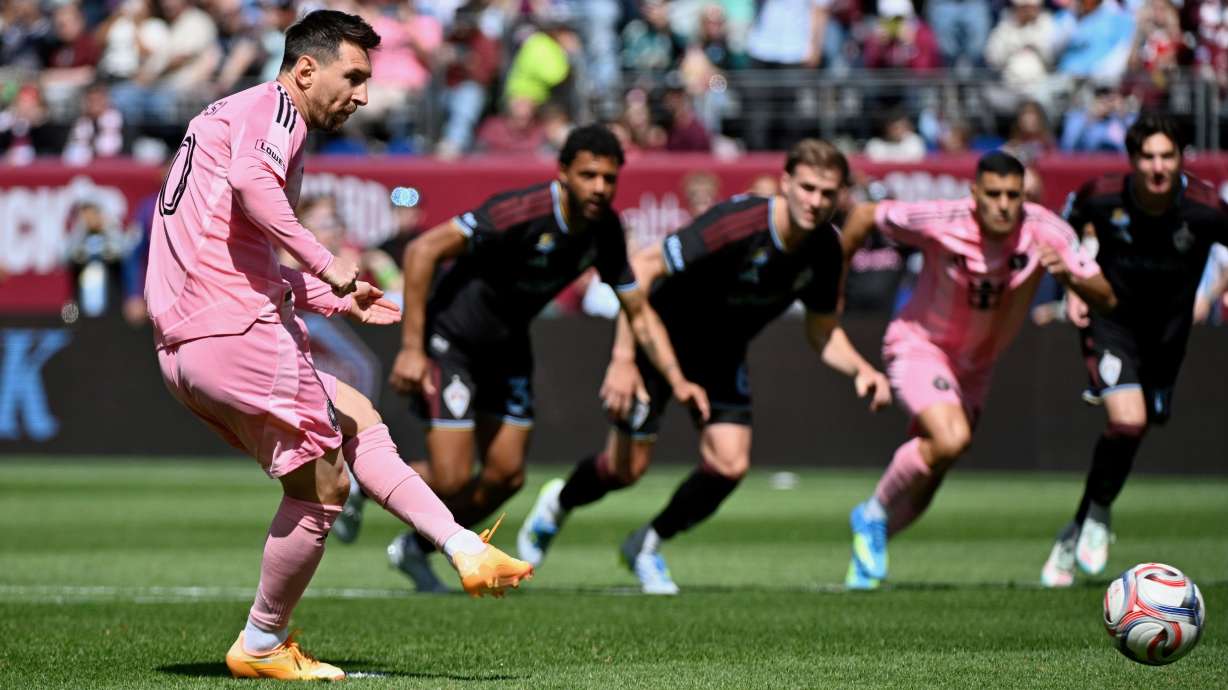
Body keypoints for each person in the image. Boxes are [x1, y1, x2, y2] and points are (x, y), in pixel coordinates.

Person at [142, 11, 531, 681]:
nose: (363, 95)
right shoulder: (276, 113)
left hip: (191, 339)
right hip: (231, 328)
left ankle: (462, 544)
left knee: (357, 417)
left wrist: (333, 297)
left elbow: (233, 244)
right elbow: (253, 189)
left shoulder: (231, 114)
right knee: (324, 483)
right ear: (304, 70)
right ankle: (262, 642)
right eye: (353, 77)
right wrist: (328, 266)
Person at [517, 139, 892, 594]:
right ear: (786, 183)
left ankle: (647, 545)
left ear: (840, 196)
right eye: (807, 188)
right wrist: (622, 359)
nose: (815, 202)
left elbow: (821, 329)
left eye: (827, 193)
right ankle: (558, 504)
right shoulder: (738, 223)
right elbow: (643, 267)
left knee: (730, 465)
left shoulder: (827, 249)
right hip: (657, 342)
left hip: (722, 353)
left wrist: (861, 370)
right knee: (625, 471)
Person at [375, 124, 709, 592]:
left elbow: (638, 310)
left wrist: (677, 379)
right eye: (588, 175)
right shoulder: (521, 210)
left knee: (506, 477)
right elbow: (421, 250)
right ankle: (362, 475)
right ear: (563, 173)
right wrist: (411, 349)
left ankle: (414, 549)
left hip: (509, 347)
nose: (599, 187)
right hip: (455, 340)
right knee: (450, 480)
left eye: (609, 178)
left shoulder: (605, 230)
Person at [837, 150, 1117, 590]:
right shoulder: (942, 217)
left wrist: (1073, 277)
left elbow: (1106, 294)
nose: (1004, 205)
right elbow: (865, 215)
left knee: (933, 470)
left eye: (1013, 195)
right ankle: (870, 514)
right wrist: (831, 289)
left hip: (978, 366)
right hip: (920, 345)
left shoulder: (1044, 230)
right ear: (974, 194)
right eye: (994, 195)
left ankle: (871, 546)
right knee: (950, 439)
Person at [1039, 113, 1228, 587]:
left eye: (1168, 156)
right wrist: (1075, 286)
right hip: (1112, 324)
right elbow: (1064, 230)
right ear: (1133, 160)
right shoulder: (1102, 197)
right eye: (1148, 157)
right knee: (1128, 420)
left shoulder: (1205, 207)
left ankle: (1075, 530)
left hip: (1168, 339)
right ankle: (1099, 514)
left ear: (1181, 158)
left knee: (1137, 431)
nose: (1158, 166)